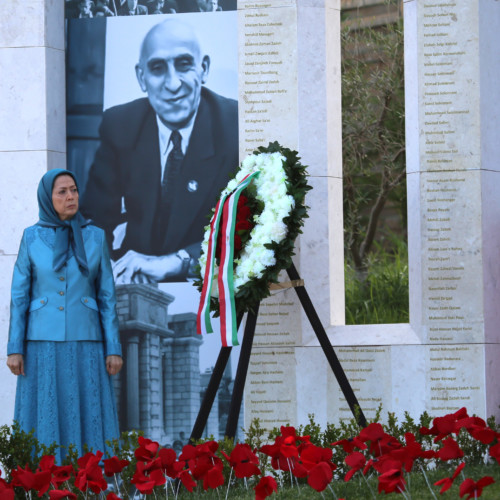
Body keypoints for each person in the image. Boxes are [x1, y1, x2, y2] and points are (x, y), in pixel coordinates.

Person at [81, 18, 238, 284]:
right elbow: (93, 218)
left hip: (207, 286)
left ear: (204, 68)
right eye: (157, 68)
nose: (173, 84)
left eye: (184, 64)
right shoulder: (120, 125)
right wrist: (101, 263)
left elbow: (246, 229)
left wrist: (175, 262)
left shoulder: (236, 126)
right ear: (142, 78)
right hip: (135, 281)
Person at [7, 169, 123, 462]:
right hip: (40, 345)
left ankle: (92, 483)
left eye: (74, 190)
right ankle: (42, 484)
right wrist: (14, 348)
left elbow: (107, 297)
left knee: (88, 413)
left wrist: (114, 348)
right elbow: (19, 297)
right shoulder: (31, 237)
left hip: (88, 344)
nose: (71, 197)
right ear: (48, 197)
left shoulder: (95, 237)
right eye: (62, 192)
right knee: (45, 413)